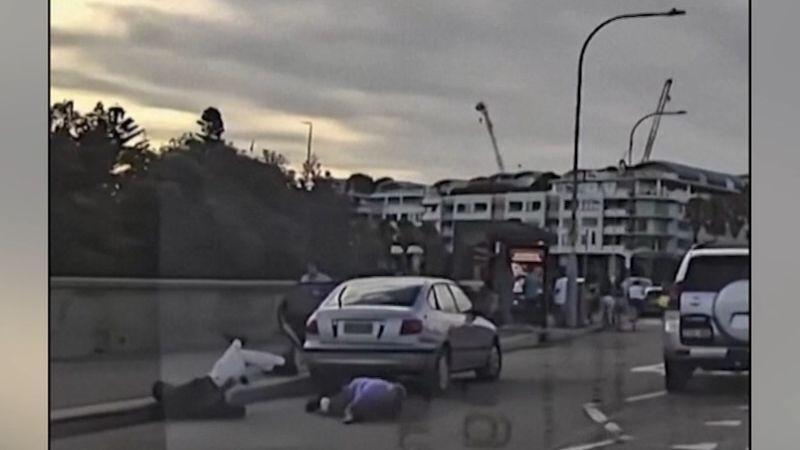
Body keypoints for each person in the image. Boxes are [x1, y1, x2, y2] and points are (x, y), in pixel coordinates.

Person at [305, 377, 407, 424]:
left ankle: (321, 403)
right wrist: (351, 413)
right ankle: (320, 404)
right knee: (338, 405)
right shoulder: (380, 389)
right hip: (357, 388)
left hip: (357, 385)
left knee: (340, 403)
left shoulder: (384, 387)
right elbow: (361, 399)